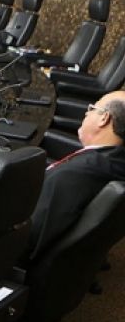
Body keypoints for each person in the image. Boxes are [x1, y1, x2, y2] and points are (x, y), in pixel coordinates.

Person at [28, 91, 125, 260]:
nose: (86, 113)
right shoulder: (114, 160)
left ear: (104, 118)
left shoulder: (73, 174)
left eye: (92, 108)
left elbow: (29, 239)